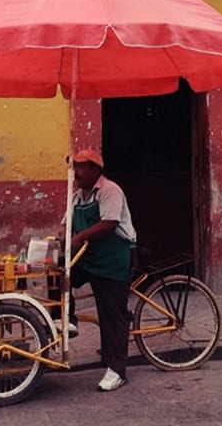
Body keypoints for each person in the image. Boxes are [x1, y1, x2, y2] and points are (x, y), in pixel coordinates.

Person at [66, 148, 137, 392]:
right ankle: (67, 319)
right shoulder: (76, 197)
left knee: (112, 315)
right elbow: (65, 227)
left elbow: (109, 223)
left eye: (81, 166)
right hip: (89, 258)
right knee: (61, 279)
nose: (76, 171)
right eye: (75, 166)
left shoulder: (110, 191)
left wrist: (79, 238)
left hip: (115, 258)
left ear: (96, 170)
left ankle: (117, 370)